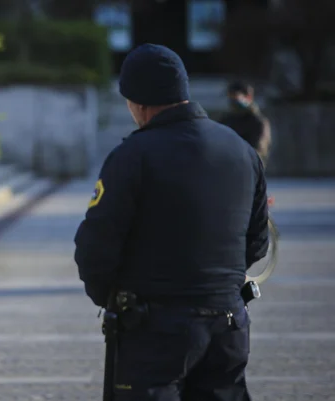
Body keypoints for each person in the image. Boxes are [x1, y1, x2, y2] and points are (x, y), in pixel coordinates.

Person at [74, 44, 269, 400]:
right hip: (228, 323)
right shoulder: (241, 150)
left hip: (155, 329)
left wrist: (112, 299)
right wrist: (216, 284)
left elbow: (95, 246)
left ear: (138, 102)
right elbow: (257, 241)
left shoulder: (132, 156)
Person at [220, 80, 272, 164]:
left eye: (235, 98)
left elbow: (258, 152)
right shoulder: (226, 120)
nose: (232, 102)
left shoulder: (258, 122)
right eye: (230, 97)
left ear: (248, 97)